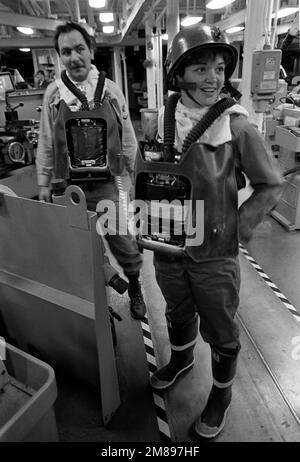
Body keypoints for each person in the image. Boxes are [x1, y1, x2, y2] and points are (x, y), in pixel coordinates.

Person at [143, 24, 283, 439]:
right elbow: (145, 175)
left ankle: (221, 395)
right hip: (167, 249)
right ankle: (181, 359)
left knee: (221, 329)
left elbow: (270, 183)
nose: (213, 79)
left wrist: (238, 229)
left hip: (214, 256)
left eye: (219, 69)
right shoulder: (158, 121)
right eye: (201, 68)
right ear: (178, 74)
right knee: (176, 311)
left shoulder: (236, 126)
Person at [36, 21, 146, 320]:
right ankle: (98, 298)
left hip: (106, 184)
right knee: (81, 249)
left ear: (91, 50)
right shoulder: (53, 95)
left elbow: (126, 139)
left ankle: (134, 283)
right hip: (68, 189)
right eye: (66, 52)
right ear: (60, 56)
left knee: (123, 241)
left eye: (79, 49)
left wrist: (134, 178)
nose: (73, 57)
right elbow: (46, 141)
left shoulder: (110, 91)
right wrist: (44, 182)